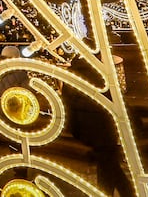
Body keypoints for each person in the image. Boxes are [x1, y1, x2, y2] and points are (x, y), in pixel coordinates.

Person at [62, 59, 133, 197]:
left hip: (87, 127)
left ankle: (117, 192)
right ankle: (122, 192)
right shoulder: (102, 75)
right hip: (106, 126)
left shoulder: (73, 77)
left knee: (108, 163)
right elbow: (115, 99)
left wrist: (73, 127)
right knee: (108, 163)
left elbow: (67, 103)